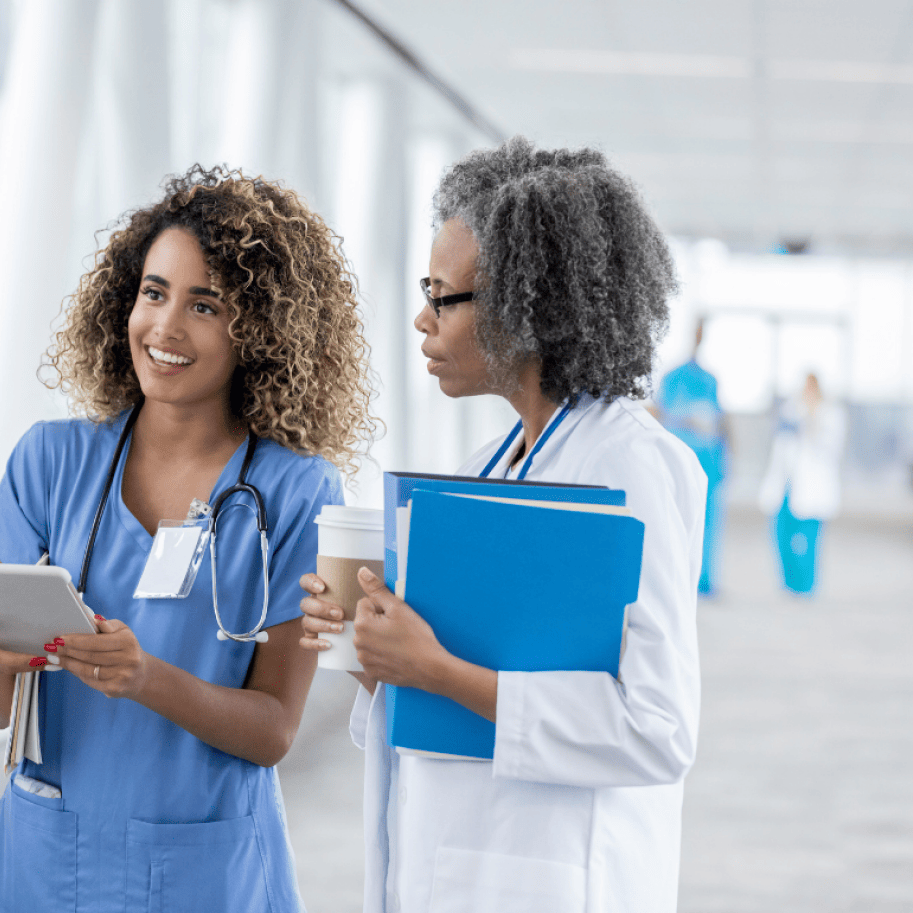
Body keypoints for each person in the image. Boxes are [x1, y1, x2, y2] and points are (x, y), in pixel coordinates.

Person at [300, 139, 707, 913]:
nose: (422, 318)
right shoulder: (492, 464)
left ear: (529, 307)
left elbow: (657, 729)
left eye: (442, 295)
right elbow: (447, 682)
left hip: (555, 878)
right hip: (452, 866)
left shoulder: (633, 467)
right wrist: (371, 650)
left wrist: (438, 670)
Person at [0, 165, 375, 911]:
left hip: (203, 876)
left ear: (259, 330)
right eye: (154, 292)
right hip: (47, 861)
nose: (166, 328)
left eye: (205, 305)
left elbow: (275, 728)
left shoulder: (293, 492)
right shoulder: (49, 463)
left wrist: (144, 676)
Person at [657, 319, 729, 594]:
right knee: (675, 518)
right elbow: (663, 414)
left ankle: (704, 580)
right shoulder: (673, 377)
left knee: (708, 521)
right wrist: (688, 420)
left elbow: (720, 422)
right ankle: (678, 578)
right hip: (681, 456)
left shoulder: (710, 379)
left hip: (708, 459)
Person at [758, 372, 846, 595]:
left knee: (808, 541)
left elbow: (831, 447)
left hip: (812, 489)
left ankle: (806, 586)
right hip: (786, 484)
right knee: (781, 536)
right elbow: (780, 442)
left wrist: (810, 421)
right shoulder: (791, 408)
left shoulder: (831, 414)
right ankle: (788, 583)